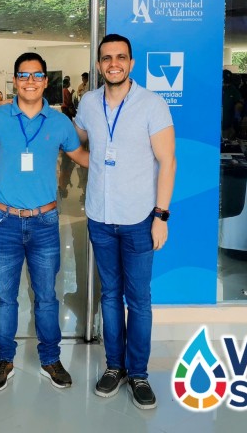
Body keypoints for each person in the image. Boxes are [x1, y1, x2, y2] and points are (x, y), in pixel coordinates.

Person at [73, 33, 175, 410]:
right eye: (106, 58)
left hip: (139, 219)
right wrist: (97, 164)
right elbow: (81, 146)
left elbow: (168, 161)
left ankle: (140, 373)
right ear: (99, 65)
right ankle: (115, 367)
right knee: (110, 297)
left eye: (120, 57)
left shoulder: (152, 104)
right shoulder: (87, 103)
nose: (113, 63)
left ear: (131, 63)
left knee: (140, 300)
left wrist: (161, 216)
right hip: (100, 217)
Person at [0, 52, 89, 391]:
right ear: (14, 80)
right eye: (23, 75)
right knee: (4, 297)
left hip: (45, 223)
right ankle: (3, 359)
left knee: (46, 296)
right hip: (4, 221)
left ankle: (50, 359)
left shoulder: (60, 122)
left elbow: (81, 156)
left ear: (46, 81)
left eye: (37, 75)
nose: (30, 81)